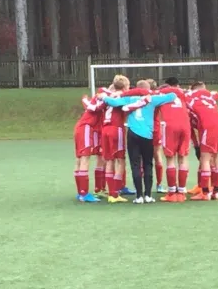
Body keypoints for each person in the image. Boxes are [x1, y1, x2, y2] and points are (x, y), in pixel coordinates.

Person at [100, 89, 177, 204]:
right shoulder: (152, 99)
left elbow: (114, 102)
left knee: (135, 165)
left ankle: (139, 196)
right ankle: (148, 196)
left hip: (133, 134)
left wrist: (103, 97)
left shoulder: (129, 99)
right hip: (147, 135)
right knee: (148, 165)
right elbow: (172, 96)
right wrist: (156, 93)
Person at [185, 81, 218, 201]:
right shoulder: (210, 95)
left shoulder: (189, 97)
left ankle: (205, 192)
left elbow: (179, 93)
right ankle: (216, 191)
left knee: (205, 159)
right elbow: (216, 94)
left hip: (209, 126)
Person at [156, 77, 191, 203]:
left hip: (170, 125)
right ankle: (181, 192)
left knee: (170, 159)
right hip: (185, 125)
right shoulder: (182, 92)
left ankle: (171, 193)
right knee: (183, 158)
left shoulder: (161, 93)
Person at [100, 75, 131, 203]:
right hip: (116, 128)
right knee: (120, 160)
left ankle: (111, 192)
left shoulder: (109, 96)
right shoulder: (122, 96)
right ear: (125, 86)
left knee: (109, 161)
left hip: (105, 128)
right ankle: (115, 192)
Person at [73, 93, 106, 202]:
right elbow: (92, 106)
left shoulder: (96, 104)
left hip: (82, 128)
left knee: (79, 160)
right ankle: (84, 194)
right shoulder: (100, 102)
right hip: (85, 129)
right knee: (84, 159)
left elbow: (87, 102)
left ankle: (81, 192)